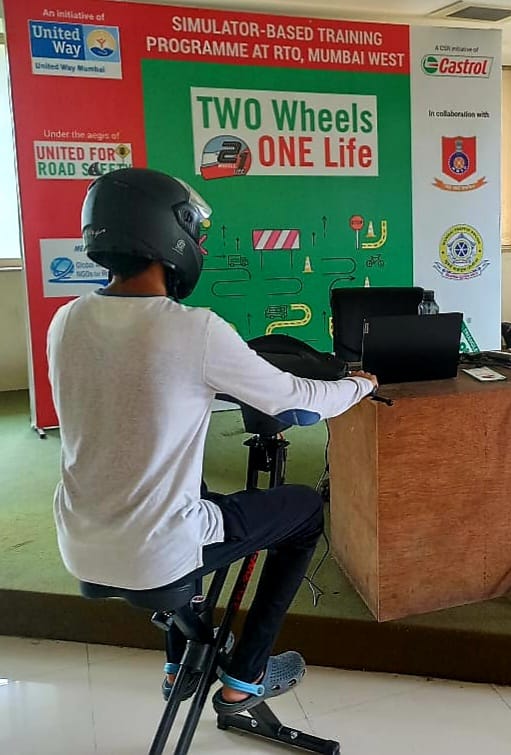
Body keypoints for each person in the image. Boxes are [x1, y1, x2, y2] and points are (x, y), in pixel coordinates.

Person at [46, 167, 378, 714]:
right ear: (167, 235)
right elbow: (295, 397)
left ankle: (179, 665)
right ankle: (244, 678)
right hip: (155, 551)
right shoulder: (191, 328)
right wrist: (355, 386)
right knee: (303, 512)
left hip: (80, 544)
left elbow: (136, 399)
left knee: (185, 485)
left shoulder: (67, 322)